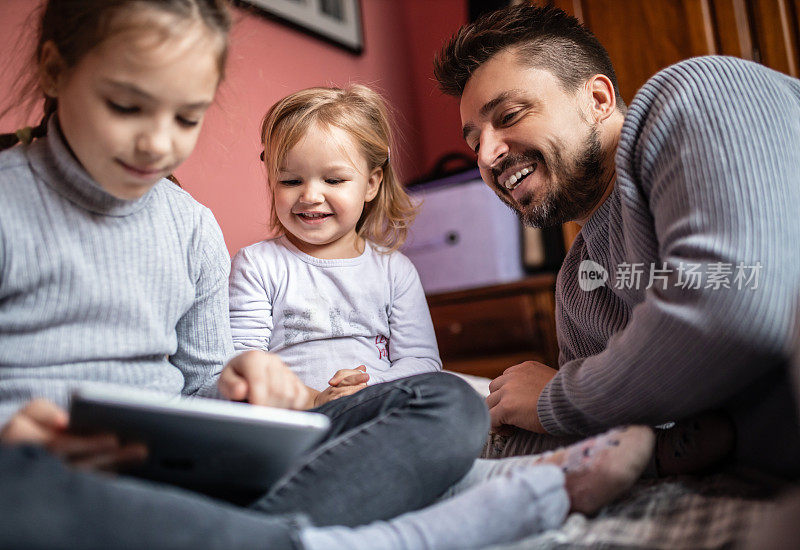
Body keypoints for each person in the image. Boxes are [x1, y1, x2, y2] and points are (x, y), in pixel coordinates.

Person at [0, 1, 656, 548]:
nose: (158, 145)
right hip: (40, 474)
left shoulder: (189, 225)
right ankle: (395, 536)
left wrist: (239, 386)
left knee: (446, 403)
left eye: (187, 118)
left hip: (177, 475)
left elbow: (203, 387)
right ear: (56, 71)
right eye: (125, 106)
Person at [433, 3, 800, 478]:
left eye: (509, 114)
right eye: (473, 141)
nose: (487, 155)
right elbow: (600, 436)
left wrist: (554, 397)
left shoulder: (700, 93)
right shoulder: (579, 285)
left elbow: (734, 308)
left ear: (598, 99)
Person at [228, 85, 440, 404]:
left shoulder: (394, 270)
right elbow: (242, 363)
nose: (310, 196)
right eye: (290, 181)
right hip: (295, 419)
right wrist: (312, 400)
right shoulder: (257, 265)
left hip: (375, 407)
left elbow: (423, 363)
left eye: (333, 180)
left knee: (453, 393)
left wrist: (369, 386)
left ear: (371, 184)